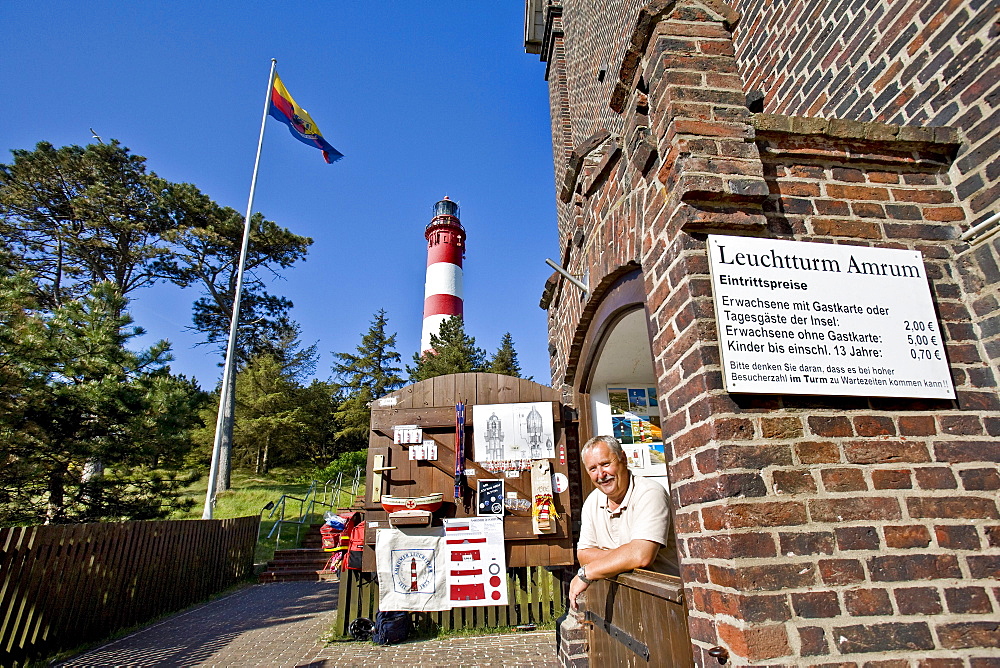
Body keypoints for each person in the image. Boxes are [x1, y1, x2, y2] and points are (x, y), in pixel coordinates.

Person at [569, 435, 678, 610]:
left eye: (605, 464)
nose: (601, 475)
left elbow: (642, 556)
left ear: (623, 459)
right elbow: (583, 556)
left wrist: (587, 573)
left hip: (666, 601)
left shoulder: (649, 492)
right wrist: (627, 555)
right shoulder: (592, 501)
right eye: (593, 469)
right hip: (625, 602)